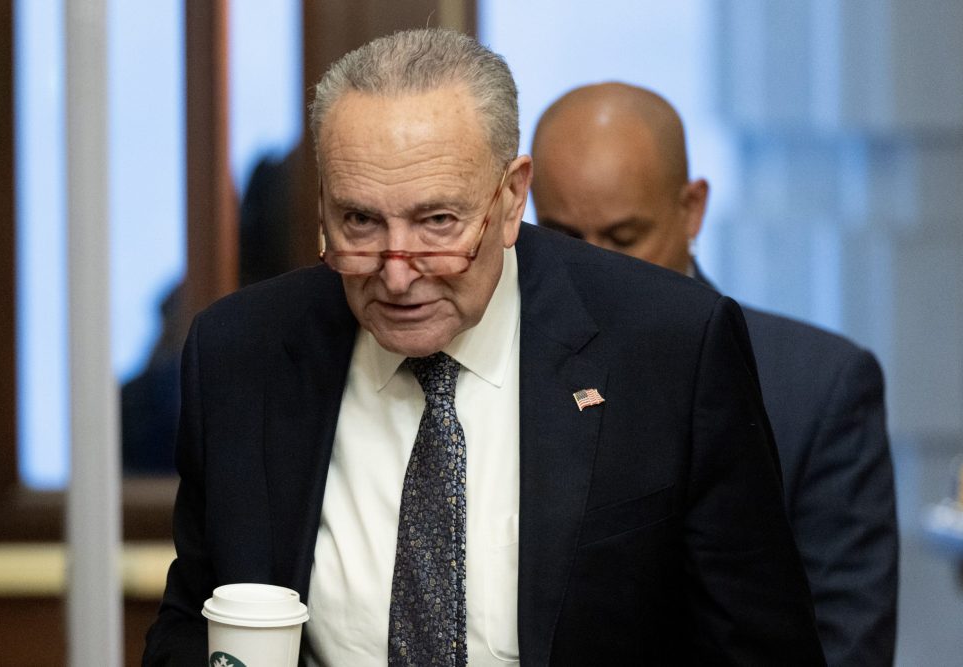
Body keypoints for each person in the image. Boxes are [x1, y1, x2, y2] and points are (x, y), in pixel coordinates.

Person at [143, 30, 825, 665]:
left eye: (438, 221)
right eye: (359, 221)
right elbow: (192, 624)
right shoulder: (242, 354)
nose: (398, 271)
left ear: (510, 198)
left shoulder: (671, 348)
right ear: (322, 205)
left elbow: (762, 646)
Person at [531, 81, 898, 667]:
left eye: (624, 239)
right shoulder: (509, 377)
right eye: (563, 238)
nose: (593, 267)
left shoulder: (815, 386)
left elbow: (844, 643)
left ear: (692, 209)